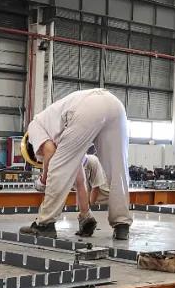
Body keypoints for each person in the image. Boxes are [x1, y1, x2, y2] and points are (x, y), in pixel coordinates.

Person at [19, 88, 132, 240]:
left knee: (58, 168)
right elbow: (80, 181)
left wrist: (43, 179)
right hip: (115, 105)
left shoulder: (34, 126)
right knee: (118, 170)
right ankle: (122, 224)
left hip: (89, 107)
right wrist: (85, 215)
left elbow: (50, 153)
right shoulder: (60, 131)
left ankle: (45, 224)